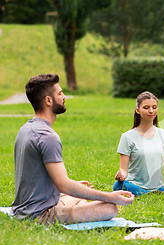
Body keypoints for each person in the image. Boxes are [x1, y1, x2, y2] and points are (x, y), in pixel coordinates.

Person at [11, 74, 134, 225]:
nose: (64, 97)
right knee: (110, 208)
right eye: (60, 93)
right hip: (41, 215)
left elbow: (36, 175)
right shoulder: (48, 137)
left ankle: (80, 207)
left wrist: (73, 186)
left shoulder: (26, 128)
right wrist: (110, 196)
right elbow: (64, 185)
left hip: (22, 210)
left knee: (80, 195)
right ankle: (83, 210)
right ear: (48, 100)